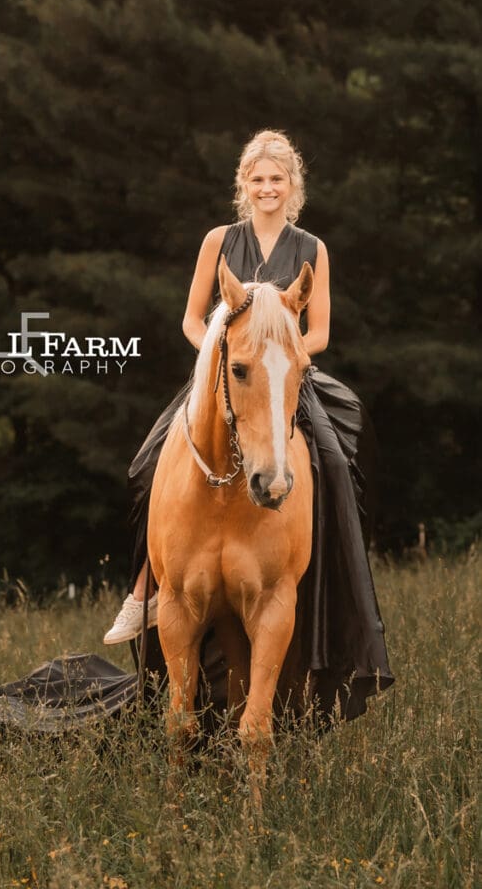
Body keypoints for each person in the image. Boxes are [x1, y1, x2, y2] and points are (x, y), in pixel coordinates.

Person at [103, 129, 393, 721]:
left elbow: (319, 331)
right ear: (244, 185)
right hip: (224, 374)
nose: (267, 188)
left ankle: (339, 588)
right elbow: (191, 319)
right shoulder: (219, 241)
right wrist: (219, 353)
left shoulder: (312, 247)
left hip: (283, 375)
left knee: (333, 460)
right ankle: (143, 591)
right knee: (147, 465)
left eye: (277, 179)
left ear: (293, 186)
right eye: (258, 179)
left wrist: (281, 352)